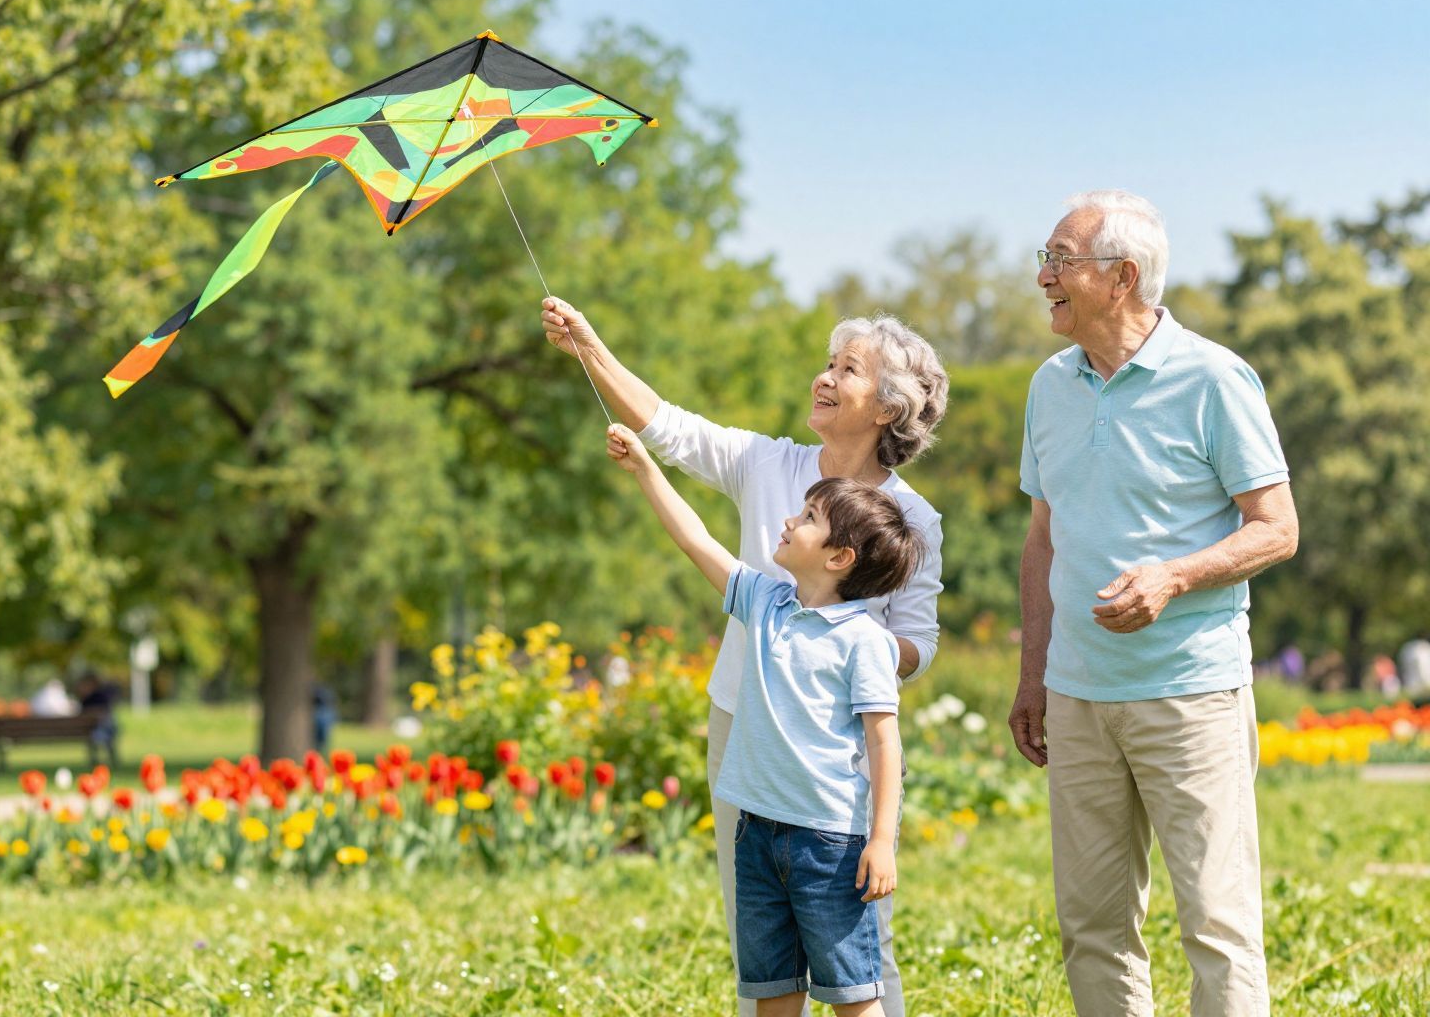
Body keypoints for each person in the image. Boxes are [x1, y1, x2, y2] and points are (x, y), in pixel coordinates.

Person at [542, 298, 948, 1016]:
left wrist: (836, 643)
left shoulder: (912, 519)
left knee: (860, 943)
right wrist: (589, 349)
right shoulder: (768, 464)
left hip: (836, 750)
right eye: (828, 363)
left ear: (888, 409)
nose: (824, 378)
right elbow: (668, 429)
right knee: (757, 934)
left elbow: (919, 642)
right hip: (745, 727)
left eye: (847, 370)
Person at [1008, 190, 1299, 1016]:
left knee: (1216, 925)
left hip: (1190, 695)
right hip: (1078, 696)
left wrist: (1172, 577)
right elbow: (1043, 539)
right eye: (1046, 259)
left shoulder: (1215, 378)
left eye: (1060, 260)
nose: (1043, 277)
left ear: (1122, 277)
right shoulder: (1049, 387)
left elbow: (1277, 528)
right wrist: (1033, 676)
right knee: (1092, 927)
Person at [607, 422, 915, 1015]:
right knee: (771, 992)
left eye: (808, 518)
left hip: (830, 848)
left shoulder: (866, 641)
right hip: (755, 836)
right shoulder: (765, 603)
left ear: (839, 557)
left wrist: (881, 841)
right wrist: (646, 469)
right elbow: (696, 540)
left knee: (853, 997)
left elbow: (884, 745)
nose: (789, 521)